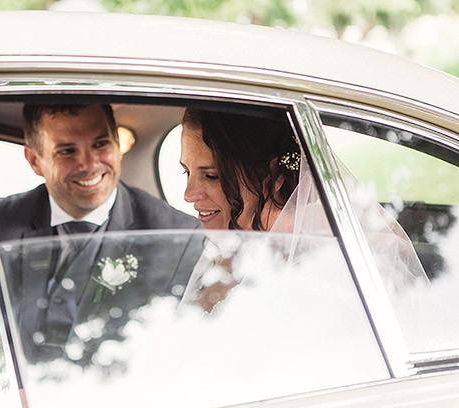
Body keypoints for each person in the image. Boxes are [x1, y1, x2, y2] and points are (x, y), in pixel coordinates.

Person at [0, 103, 199, 362]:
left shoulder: (178, 237)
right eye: (67, 151)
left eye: (100, 144)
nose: (89, 164)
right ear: (35, 160)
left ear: (117, 144)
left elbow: (175, 348)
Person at [179, 107, 429, 314]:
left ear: (274, 175)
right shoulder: (230, 253)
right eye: (186, 172)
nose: (188, 195)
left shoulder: (333, 267)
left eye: (212, 176)